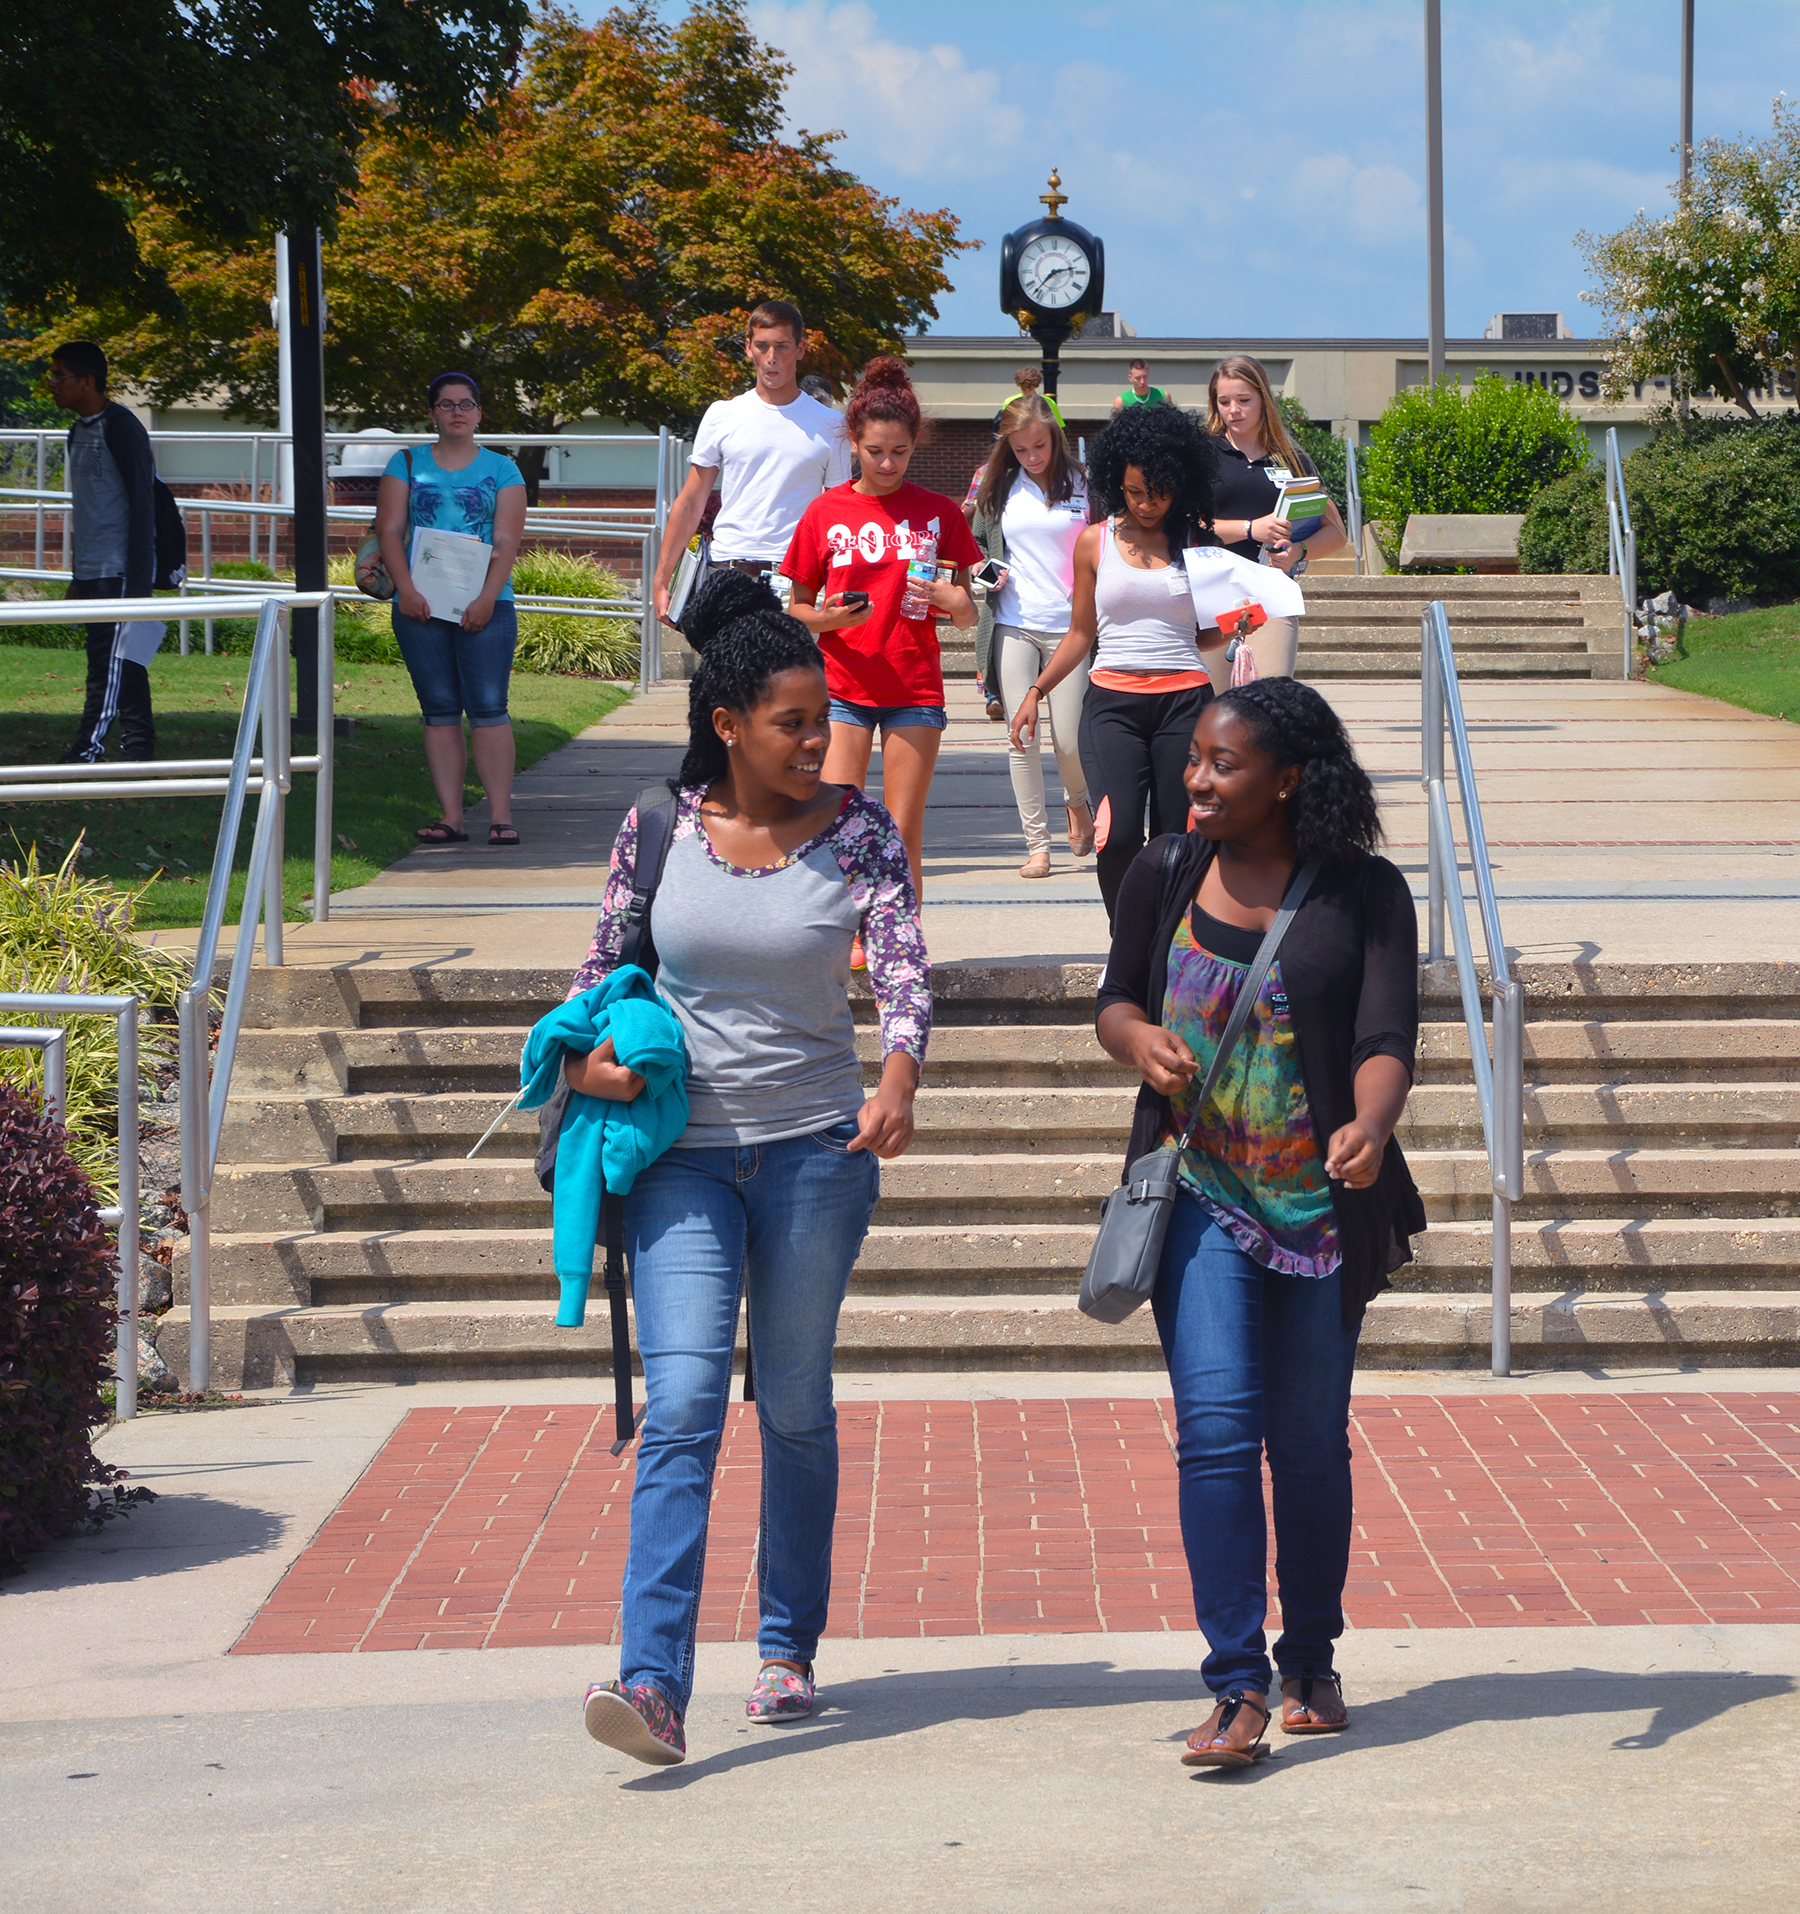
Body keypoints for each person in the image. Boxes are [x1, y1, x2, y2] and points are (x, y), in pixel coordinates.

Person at [574, 570, 930, 1769]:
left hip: (817, 1156)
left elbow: (903, 963)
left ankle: (787, 1644)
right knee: (680, 1408)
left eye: (822, 718)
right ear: (727, 726)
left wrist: (898, 1076)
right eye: (792, 723)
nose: (817, 740)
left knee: (791, 1402)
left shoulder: (859, 832)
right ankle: (653, 1685)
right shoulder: (657, 827)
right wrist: (591, 1071)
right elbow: (593, 988)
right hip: (680, 1158)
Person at [1094, 677, 1424, 1768]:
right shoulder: (1163, 870)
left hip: (1324, 1211)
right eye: (1194, 759)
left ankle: (1311, 1657)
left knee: (1310, 1447)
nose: (1196, 778)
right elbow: (1115, 999)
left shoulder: (1366, 893)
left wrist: (1370, 1125)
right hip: (1198, 1198)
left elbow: (1386, 1036)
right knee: (1219, 1438)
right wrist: (1139, 1043)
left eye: (1222, 764)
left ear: (1288, 778)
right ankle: (1234, 1684)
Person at [782, 357, 980, 909]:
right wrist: (828, 619)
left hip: (914, 690)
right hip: (842, 686)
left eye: (900, 452)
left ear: (915, 445)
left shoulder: (939, 513)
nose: (888, 463)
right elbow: (796, 609)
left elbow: (968, 613)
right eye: (875, 452)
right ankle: (843, 939)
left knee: (900, 832)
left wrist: (953, 600)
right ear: (852, 442)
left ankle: (902, 945)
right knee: (840, 827)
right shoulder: (825, 511)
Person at [1009, 401, 1215, 922]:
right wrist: (1036, 691)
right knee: (1118, 833)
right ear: (1115, 483)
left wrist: (1238, 626)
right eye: (1134, 491)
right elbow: (1081, 633)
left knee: (1176, 836)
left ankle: (1172, 945)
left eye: (1159, 492)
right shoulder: (1092, 542)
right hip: (1112, 705)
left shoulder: (1195, 543)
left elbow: (1205, 633)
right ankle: (1127, 944)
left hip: (1185, 701)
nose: (1147, 504)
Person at [375, 372, 528, 846]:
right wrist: (407, 591)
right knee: (439, 709)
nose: (457, 412)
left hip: (487, 602)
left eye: (466, 404)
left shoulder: (503, 469)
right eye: (446, 405)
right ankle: (450, 818)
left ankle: (500, 817)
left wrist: (485, 598)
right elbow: (389, 530)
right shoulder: (405, 464)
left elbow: (506, 540)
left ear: (479, 413)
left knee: (489, 708)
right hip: (420, 603)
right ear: (433, 413)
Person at [653, 300, 850, 613]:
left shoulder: (831, 425)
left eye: (783, 347)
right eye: (762, 346)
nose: (772, 358)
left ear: (800, 349)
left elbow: (840, 513)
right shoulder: (723, 414)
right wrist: (662, 581)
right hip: (726, 574)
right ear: (748, 348)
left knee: (791, 666)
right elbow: (690, 502)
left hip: (796, 582)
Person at [970, 393, 1094, 878]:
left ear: (1055, 438)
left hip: (1072, 628)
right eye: (1021, 449)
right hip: (1014, 623)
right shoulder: (997, 487)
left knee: (1069, 740)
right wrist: (983, 571)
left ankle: (1077, 801)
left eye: (1039, 445)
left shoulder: (1085, 484)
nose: (1032, 457)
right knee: (1020, 738)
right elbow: (974, 549)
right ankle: (1037, 845)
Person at [1203, 354, 1349, 689]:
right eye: (1223, 402)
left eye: (1243, 400)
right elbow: (1184, 523)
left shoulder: (1292, 459)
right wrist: (1250, 528)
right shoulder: (1202, 454)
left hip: (1271, 596)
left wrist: (1298, 551)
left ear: (1263, 400)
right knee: (1212, 710)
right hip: (1211, 594)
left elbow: (1337, 533)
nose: (1233, 411)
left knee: (1269, 704)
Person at [48, 341, 159, 763]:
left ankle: (86, 750)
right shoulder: (77, 432)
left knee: (107, 666)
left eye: (61, 376)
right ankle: (140, 747)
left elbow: (144, 506)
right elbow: (90, 509)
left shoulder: (123, 427)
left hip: (120, 571)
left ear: (88, 382)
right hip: (93, 571)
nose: (53, 384)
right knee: (124, 665)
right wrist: (78, 576)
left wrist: (137, 585)